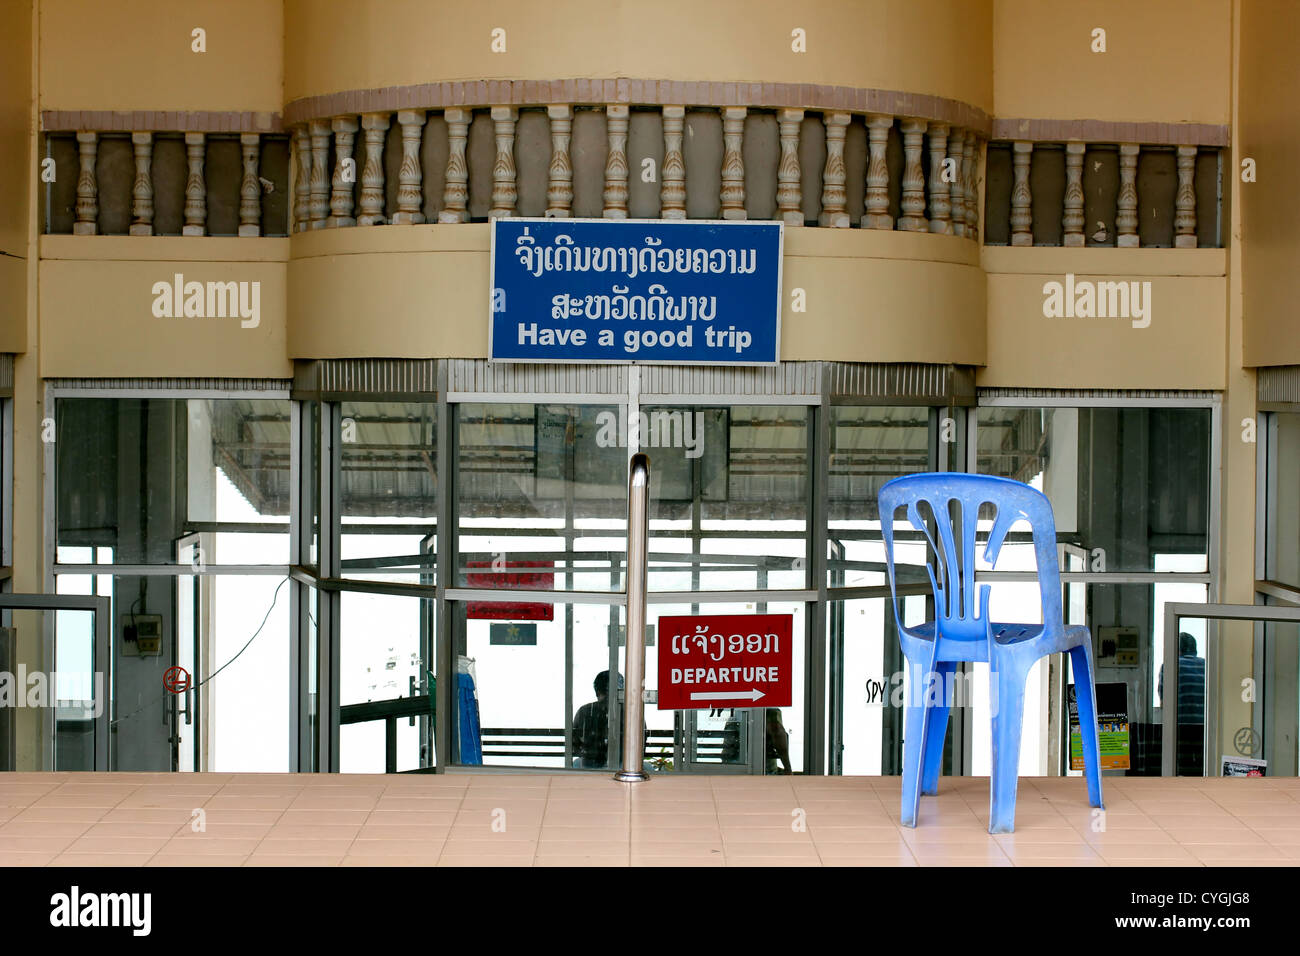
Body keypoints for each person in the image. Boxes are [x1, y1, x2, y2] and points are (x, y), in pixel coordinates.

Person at [1158, 632, 1205, 776]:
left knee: (1182, 769)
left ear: (1177, 649)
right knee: (1202, 767)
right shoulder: (1206, 665)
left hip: (1180, 727)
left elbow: (1164, 701)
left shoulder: (1169, 666)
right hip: (1205, 728)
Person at [572, 671, 622, 769]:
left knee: (577, 763)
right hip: (622, 766)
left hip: (589, 765)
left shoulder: (584, 711)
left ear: (597, 691)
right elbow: (641, 746)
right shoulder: (631, 713)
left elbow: (574, 743)